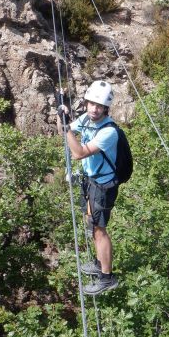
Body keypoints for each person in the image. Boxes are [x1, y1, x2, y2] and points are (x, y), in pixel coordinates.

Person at [58, 80, 120, 296]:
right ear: (86, 103)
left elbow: (78, 153)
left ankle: (107, 278)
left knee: (100, 231)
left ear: (105, 108)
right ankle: (98, 262)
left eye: (99, 105)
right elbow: (64, 131)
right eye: (91, 103)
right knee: (92, 224)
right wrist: (62, 116)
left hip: (103, 186)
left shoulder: (109, 132)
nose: (94, 109)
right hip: (92, 181)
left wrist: (67, 128)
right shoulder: (86, 118)